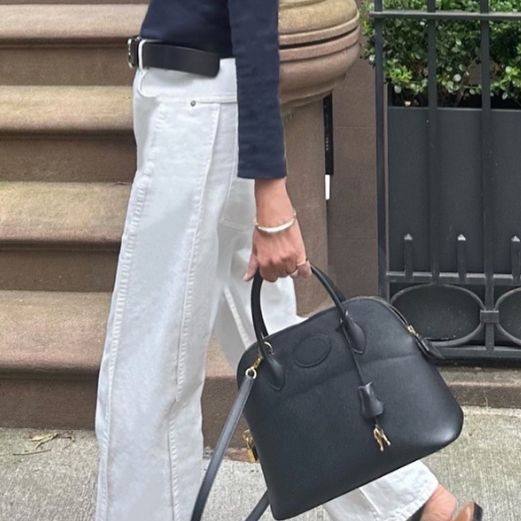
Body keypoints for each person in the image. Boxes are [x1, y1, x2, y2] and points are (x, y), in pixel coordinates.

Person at [93, 0, 482, 520]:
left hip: (197, 113)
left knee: (149, 370)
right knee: (276, 348)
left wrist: (271, 192)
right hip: (198, 104)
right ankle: (417, 507)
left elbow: (253, 19)